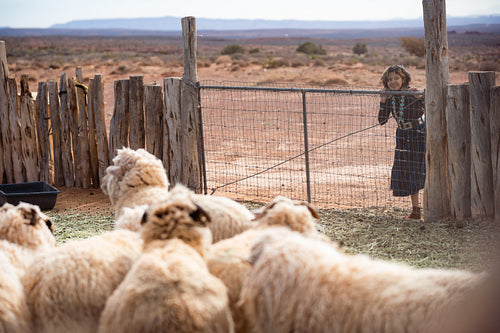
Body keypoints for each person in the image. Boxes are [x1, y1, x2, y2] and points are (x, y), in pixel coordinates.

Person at [378, 65, 426, 220]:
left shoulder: (412, 92)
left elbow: (429, 108)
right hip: (402, 135)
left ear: (403, 78)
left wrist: (421, 97)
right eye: (390, 79)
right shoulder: (390, 96)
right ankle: (416, 210)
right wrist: (383, 101)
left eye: (396, 78)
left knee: (421, 170)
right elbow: (382, 120)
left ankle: (433, 208)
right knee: (408, 171)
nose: (393, 82)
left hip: (418, 134)